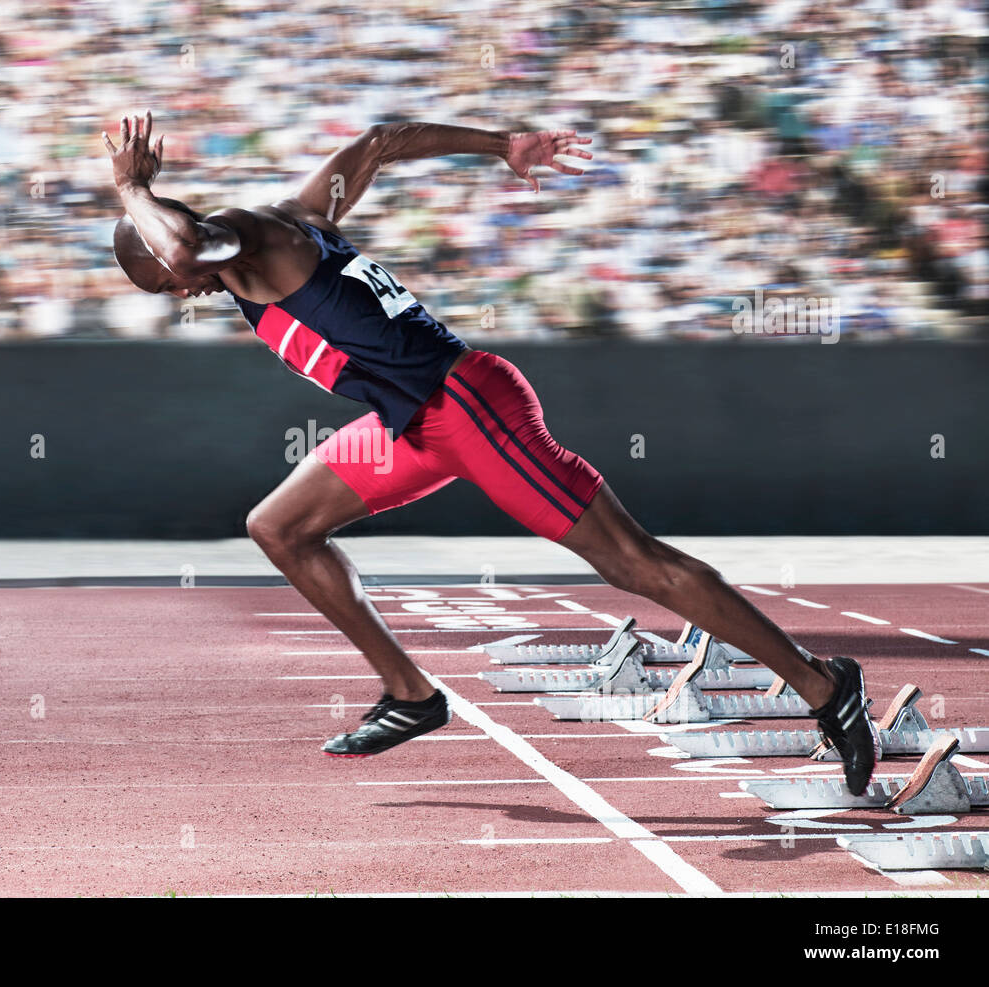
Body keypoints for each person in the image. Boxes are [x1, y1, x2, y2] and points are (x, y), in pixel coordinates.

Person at [104, 112, 877, 794]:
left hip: (469, 407)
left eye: (167, 284)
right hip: (413, 421)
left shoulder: (242, 240)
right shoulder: (291, 217)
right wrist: (502, 144)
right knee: (280, 526)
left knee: (635, 564)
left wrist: (133, 192)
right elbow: (382, 141)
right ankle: (410, 693)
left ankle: (823, 684)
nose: (181, 295)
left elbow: (180, 246)